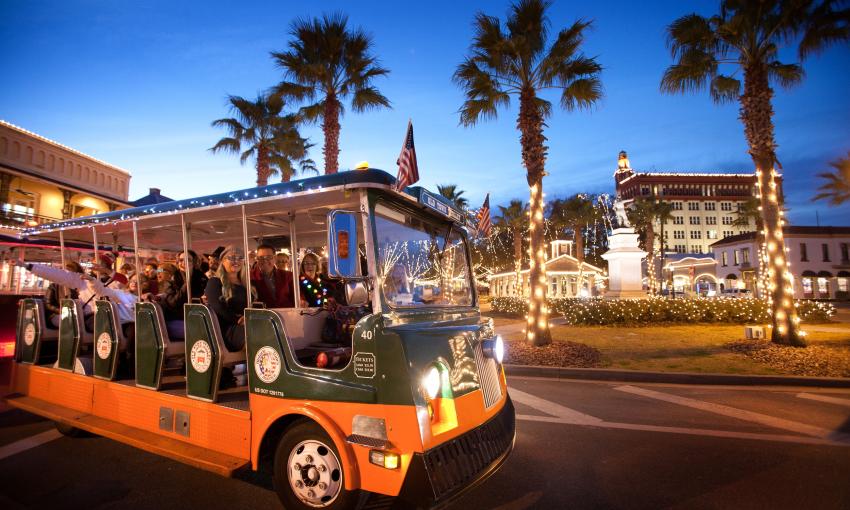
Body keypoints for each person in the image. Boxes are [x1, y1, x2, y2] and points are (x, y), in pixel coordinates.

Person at [204, 245, 252, 352]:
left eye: (240, 258)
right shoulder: (215, 282)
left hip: (248, 323)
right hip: (227, 328)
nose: (236, 261)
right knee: (255, 335)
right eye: (231, 258)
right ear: (222, 261)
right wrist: (238, 319)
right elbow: (218, 307)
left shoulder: (247, 284)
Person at [250, 244, 295, 308]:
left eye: (268, 257)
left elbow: (297, 296)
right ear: (257, 259)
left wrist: (302, 301)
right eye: (261, 258)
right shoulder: (250, 277)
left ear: (275, 258)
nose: (265, 260)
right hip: (263, 313)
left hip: (287, 312)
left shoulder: (288, 276)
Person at [43, 261, 84, 328]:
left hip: (77, 314)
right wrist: (61, 310)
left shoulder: (81, 287)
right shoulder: (54, 286)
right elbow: (48, 304)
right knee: (69, 320)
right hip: (56, 314)